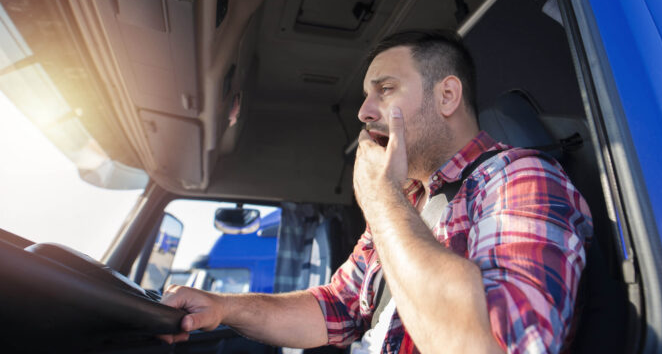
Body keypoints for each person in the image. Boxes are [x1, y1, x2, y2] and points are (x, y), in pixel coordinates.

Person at [159, 30, 593, 353]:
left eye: (385, 90)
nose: (365, 112)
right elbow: (337, 306)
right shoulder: (408, 201)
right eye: (367, 96)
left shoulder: (520, 178)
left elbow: (497, 346)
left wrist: (381, 200)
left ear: (446, 96)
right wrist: (222, 307)